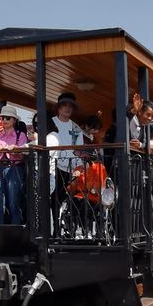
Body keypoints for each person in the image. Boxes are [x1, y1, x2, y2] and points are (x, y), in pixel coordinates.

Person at [0, 105, 28, 225]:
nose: (4, 120)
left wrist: (15, 150)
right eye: (2, 118)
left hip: (14, 169)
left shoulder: (20, 135)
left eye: (8, 118)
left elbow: (23, 156)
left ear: (14, 120)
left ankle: (16, 232)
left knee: (13, 202)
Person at [51, 92, 83, 233]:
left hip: (71, 169)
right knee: (53, 200)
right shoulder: (50, 123)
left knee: (68, 202)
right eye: (64, 105)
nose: (67, 109)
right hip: (53, 167)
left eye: (70, 106)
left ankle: (67, 231)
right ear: (58, 108)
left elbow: (79, 150)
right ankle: (53, 231)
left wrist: (79, 168)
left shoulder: (76, 128)